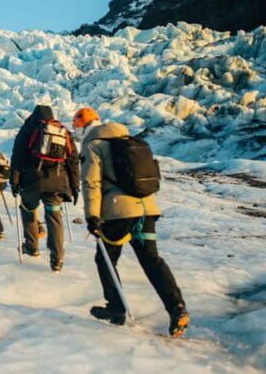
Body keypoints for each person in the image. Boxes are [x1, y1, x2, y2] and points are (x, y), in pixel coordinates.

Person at [73, 106, 190, 337]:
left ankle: (116, 309)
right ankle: (177, 308)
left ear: (84, 128)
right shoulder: (129, 140)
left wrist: (92, 216)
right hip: (146, 209)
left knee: (105, 258)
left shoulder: (93, 145)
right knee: (151, 260)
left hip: (118, 211)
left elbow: (91, 183)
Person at [9, 105, 79, 272]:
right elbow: (73, 159)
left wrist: (14, 181)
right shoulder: (62, 130)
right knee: (54, 216)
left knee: (28, 210)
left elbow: (17, 156)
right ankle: (57, 259)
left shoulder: (28, 129)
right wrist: (75, 185)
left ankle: (32, 247)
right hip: (57, 183)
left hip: (32, 182)